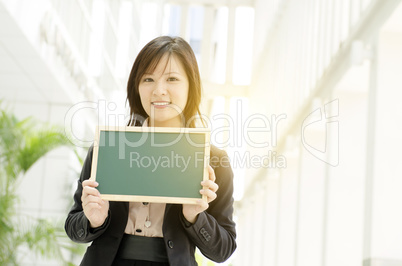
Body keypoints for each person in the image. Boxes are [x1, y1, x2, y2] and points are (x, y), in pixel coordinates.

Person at [65, 36, 236, 266]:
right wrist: (93, 219)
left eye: (172, 79)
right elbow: (73, 227)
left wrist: (195, 217)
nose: (159, 90)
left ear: (191, 86)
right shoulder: (108, 148)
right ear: (137, 87)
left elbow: (222, 250)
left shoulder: (212, 160)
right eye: (148, 79)